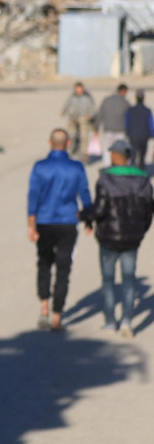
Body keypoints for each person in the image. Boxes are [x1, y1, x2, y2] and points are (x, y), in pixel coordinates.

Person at [82, 139, 154, 337]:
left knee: (108, 281)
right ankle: (127, 321)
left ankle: (110, 321)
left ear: (114, 156)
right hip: (132, 240)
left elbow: (99, 210)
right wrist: (140, 231)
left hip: (108, 239)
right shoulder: (143, 179)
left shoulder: (105, 179)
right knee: (129, 281)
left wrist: (83, 216)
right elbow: (149, 212)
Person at [27, 128, 92, 331]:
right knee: (64, 268)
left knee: (44, 263)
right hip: (67, 223)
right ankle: (57, 316)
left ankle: (44, 307)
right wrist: (89, 220)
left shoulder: (40, 167)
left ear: (49, 142)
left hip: (44, 222)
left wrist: (31, 224)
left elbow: (33, 195)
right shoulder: (76, 167)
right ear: (69, 143)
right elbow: (85, 194)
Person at [95, 83, 130, 168]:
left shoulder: (107, 100)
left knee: (107, 151)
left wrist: (96, 128)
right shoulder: (125, 102)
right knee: (121, 152)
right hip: (121, 131)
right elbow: (130, 118)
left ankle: (107, 169)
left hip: (108, 130)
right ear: (123, 91)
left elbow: (100, 114)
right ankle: (120, 169)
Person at [60, 82, 96, 161]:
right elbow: (67, 104)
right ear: (75, 89)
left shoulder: (87, 97)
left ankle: (84, 153)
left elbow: (92, 107)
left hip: (84, 118)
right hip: (73, 118)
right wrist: (63, 111)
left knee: (84, 136)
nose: (79, 91)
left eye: (80, 89)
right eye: (77, 89)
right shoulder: (72, 97)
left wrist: (91, 115)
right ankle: (70, 150)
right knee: (71, 134)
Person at [125, 89, 153, 170]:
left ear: (136, 98)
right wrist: (152, 134)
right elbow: (151, 124)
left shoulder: (130, 110)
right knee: (142, 157)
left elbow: (127, 123)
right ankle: (141, 174)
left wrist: (128, 133)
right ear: (144, 98)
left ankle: (133, 174)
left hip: (133, 136)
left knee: (133, 156)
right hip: (144, 136)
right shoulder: (147, 110)